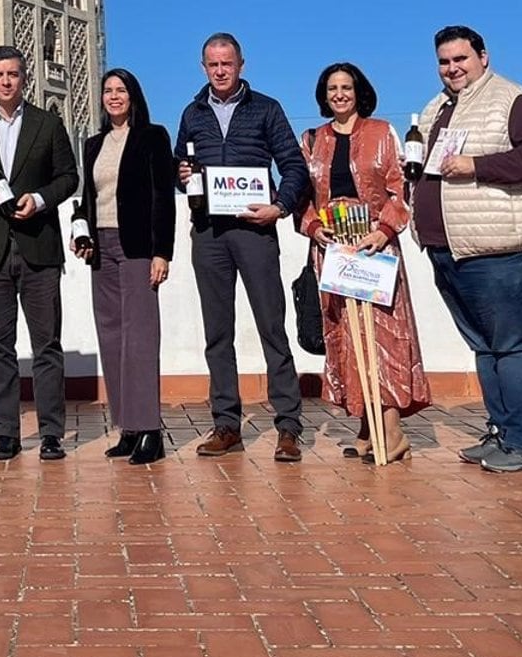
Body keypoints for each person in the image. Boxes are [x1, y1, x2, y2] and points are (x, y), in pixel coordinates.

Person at [411, 26, 522, 473]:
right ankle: (501, 431)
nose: (452, 68)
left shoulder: (513, 100)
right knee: (486, 347)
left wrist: (476, 165)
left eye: (461, 59)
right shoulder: (436, 108)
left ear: (483, 57)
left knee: (512, 345)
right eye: (444, 61)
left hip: (500, 251)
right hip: (451, 250)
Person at [174, 33, 311, 461]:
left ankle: (288, 427)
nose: (220, 71)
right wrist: (181, 175)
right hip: (209, 233)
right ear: (203, 67)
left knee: (272, 327)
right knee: (218, 333)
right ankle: (226, 424)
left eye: (227, 64)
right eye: (213, 64)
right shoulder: (192, 112)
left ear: (241, 65)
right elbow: (180, 165)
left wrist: (280, 207)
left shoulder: (266, 108)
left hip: (255, 231)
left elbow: (293, 166)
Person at [0, 46, 80, 461]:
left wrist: (40, 200)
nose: (6, 81)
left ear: (24, 78)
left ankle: (51, 435)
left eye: (13, 74)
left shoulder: (48, 124)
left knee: (47, 346)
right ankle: (5, 433)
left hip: (39, 248)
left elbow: (68, 177)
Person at [296, 63, 431, 464]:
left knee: (383, 339)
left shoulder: (381, 132)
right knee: (349, 340)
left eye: (346, 87)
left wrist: (385, 230)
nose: (339, 94)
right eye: (332, 88)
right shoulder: (312, 140)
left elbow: (400, 187)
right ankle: (366, 428)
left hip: (375, 248)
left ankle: (392, 432)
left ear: (359, 92)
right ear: (323, 95)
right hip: (333, 250)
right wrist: (311, 228)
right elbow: (302, 194)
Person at [78, 68, 175, 466]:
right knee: (113, 338)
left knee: (140, 339)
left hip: (137, 247)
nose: (114, 97)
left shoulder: (153, 137)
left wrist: (162, 252)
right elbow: (88, 196)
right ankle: (128, 427)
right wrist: (81, 232)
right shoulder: (93, 143)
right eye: (108, 91)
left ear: (133, 96)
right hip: (101, 247)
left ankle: (151, 428)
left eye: (121, 90)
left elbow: (162, 198)